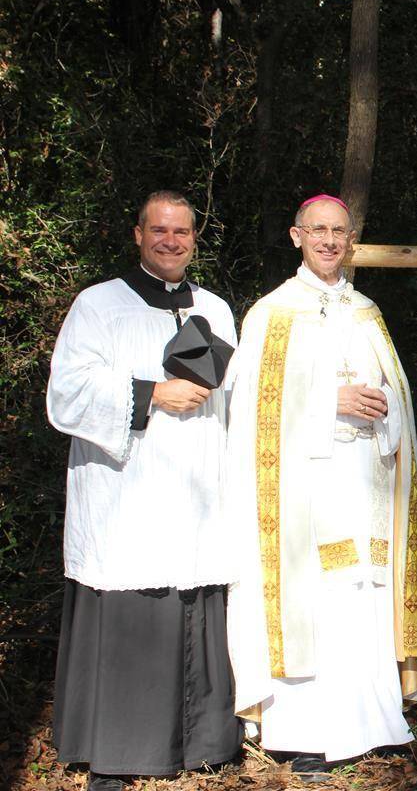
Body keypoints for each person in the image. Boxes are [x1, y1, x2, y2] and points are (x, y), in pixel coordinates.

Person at [224, 194, 417, 778]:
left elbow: (400, 401)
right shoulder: (271, 314)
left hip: (367, 479)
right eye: (317, 230)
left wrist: (386, 407)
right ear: (297, 237)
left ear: (352, 239)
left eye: (338, 231)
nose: (328, 240)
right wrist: (330, 402)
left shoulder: (367, 311)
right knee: (313, 599)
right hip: (303, 487)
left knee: (365, 592)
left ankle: (373, 720)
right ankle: (306, 733)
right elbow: (251, 409)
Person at [46, 190, 241, 791]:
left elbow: (236, 402)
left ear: (194, 239)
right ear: (138, 234)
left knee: (194, 587)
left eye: (182, 232)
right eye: (159, 230)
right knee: (134, 595)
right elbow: (66, 394)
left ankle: (200, 742)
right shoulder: (98, 305)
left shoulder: (213, 308)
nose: (171, 241)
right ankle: (119, 747)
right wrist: (152, 393)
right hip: (126, 494)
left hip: (196, 492)